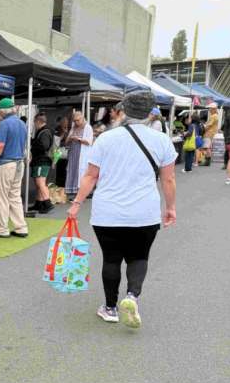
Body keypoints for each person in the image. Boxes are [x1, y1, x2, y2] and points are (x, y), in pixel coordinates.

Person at [68, 90, 176, 329]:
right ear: (150, 113)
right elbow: (168, 180)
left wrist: (76, 204)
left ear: (123, 111)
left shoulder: (106, 138)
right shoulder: (162, 140)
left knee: (112, 259)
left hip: (108, 213)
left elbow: (90, 176)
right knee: (139, 257)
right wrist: (171, 208)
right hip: (144, 213)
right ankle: (132, 296)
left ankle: (110, 308)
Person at [0, 98, 28, 238]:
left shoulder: (4, 124)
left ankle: (2, 229)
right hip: (19, 163)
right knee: (15, 196)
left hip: (6, 164)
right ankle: (21, 227)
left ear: (3, 111)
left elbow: (0, 146)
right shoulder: (22, 123)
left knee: (0, 197)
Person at [30, 112, 55, 214]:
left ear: (38, 121)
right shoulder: (42, 131)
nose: (34, 124)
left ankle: (47, 203)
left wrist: (33, 143)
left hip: (42, 160)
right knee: (38, 182)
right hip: (40, 160)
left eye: (34, 122)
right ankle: (39, 202)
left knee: (40, 182)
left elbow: (44, 146)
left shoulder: (45, 132)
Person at [64, 111, 94, 195]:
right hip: (73, 152)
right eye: (75, 121)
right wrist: (70, 138)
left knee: (81, 171)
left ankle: (81, 192)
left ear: (82, 118)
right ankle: (71, 191)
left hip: (82, 153)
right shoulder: (73, 128)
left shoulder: (88, 127)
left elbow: (89, 142)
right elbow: (66, 141)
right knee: (72, 170)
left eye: (78, 120)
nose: (76, 122)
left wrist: (79, 139)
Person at [222, 105, 230, 184]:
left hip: (228, 141)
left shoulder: (227, 117)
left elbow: (224, 129)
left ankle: (229, 178)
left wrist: (226, 140)